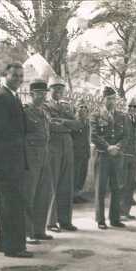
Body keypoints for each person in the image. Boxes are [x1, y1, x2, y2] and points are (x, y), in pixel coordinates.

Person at [0, 63, 32, 258]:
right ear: (5, 75)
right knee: (11, 203)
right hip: (7, 161)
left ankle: (5, 244)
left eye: (21, 76)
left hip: (11, 159)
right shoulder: (2, 98)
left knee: (8, 203)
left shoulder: (11, 97)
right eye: (14, 76)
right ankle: (14, 248)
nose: (18, 79)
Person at [23, 79, 54, 244]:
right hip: (30, 159)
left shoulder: (44, 112)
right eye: (39, 93)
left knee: (44, 193)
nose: (42, 96)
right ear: (31, 94)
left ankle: (39, 230)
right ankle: (27, 233)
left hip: (44, 157)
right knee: (29, 195)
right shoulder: (26, 112)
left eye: (44, 93)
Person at [44, 78, 77, 232]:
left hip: (67, 145)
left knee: (66, 183)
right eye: (55, 89)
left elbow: (77, 125)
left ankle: (65, 220)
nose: (58, 92)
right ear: (49, 90)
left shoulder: (67, 106)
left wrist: (63, 123)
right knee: (52, 183)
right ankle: (51, 222)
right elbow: (50, 125)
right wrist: (67, 124)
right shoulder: (45, 106)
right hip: (53, 146)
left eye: (60, 89)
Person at [90, 86, 126, 229]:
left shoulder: (121, 116)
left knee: (117, 187)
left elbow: (127, 136)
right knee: (101, 187)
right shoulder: (96, 115)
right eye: (109, 98)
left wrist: (118, 146)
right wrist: (107, 147)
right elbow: (94, 135)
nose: (112, 101)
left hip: (117, 155)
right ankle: (100, 219)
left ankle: (115, 218)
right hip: (102, 155)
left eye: (113, 98)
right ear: (102, 99)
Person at [120, 96, 136, 221]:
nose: (131, 108)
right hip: (123, 155)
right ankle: (119, 212)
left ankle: (126, 211)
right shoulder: (121, 118)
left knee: (130, 184)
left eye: (134, 106)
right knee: (122, 184)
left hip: (134, 154)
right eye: (129, 106)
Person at [72, 100, 91, 203]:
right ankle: (73, 196)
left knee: (82, 175)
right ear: (76, 109)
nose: (83, 109)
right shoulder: (74, 122)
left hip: (85, 153)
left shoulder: (87, 123)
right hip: (76, 153)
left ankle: (78, 194)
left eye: (85, 107)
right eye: (80, 107)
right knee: (75, 175)